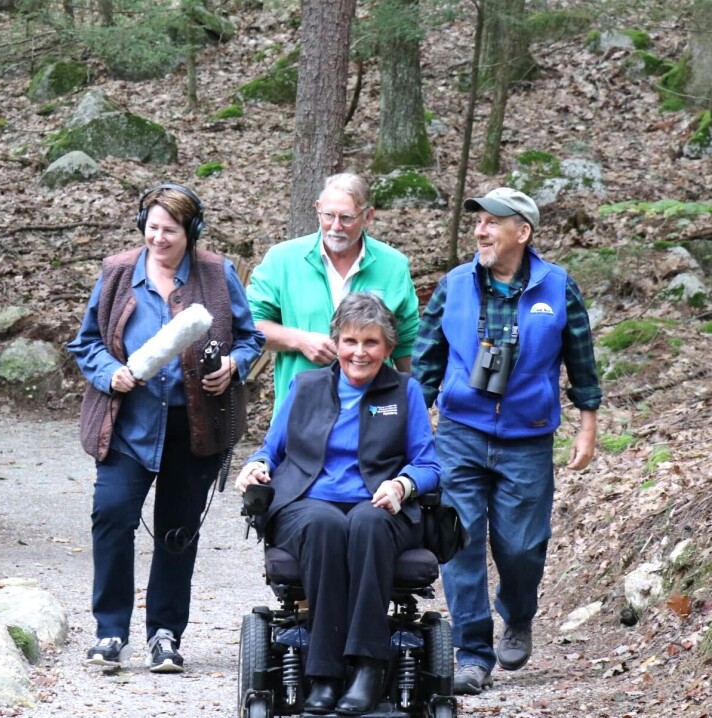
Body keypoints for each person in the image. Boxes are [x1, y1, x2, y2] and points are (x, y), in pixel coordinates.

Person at [68, 184, 264, 673]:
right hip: (127, 422)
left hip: (192, 427)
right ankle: (110, 632)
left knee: (177, 533)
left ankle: (165, 635)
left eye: (170, 231)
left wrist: (234, 366)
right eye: (152, 227)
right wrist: (107, 371)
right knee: (112, 518)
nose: (159, 238)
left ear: (191, 233)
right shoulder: (117, 273)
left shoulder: (216, 274)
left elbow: (251, 337)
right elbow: (86, 342)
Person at [412, 187, 602, 695]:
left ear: (523, 232)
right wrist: (406, 428)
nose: (480, 231)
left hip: (528, 437)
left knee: (521, 547)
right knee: (461, 544)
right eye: (478, 222)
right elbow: (426, 364)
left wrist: (587, 423)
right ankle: (472, 654)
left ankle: (518, 614)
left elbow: (581, 361)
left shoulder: (558, 287)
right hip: (460, 433)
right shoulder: (454, 286)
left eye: (493, 223)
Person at [235, 292, 440, 715]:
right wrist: (254, 466)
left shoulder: (405, 391)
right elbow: (270, 450)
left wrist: (403, 485)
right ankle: (323, 674)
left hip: (381, 506)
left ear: (387, 348)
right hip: (306, 503)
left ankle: (368, 669)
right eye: (350, 341)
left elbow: (430, 464)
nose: (359, 352)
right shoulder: (307, 385)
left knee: (366, 522)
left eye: (371, 343)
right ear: (336, 343)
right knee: (324, 523)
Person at [246, 172, 420, 417]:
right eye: (328, 215)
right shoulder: (283, 260)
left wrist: (415, 405)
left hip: (374, 413)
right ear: (317, 209)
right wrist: (300, 340)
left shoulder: (393, 265)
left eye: (347, 218)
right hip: (300, 411)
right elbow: (248, 327)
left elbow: (407, 342)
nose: (336, 226)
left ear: (368, 216)